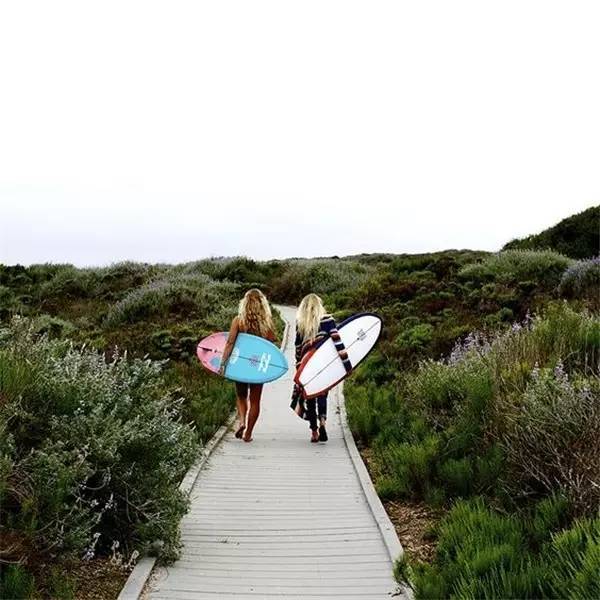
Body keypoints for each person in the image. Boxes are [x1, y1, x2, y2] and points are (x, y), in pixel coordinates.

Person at [292, 294, 350, 443]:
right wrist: (347, 364)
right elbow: (337, 342)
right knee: (322, 393)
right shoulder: (328, 320)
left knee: (310, 396)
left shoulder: (301, 323)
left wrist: (298, 367)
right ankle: (323, 422)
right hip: (323, 363)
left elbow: (298, 348)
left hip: (307, 364)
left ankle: (314, 432)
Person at [220, 289, 276, 442]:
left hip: (241, 364)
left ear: (245, 303)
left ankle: (242, 422)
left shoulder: (238, 321)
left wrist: (223, 363)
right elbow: (272, 346)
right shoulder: (267, 323)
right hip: (257, 366)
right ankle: (248, 433)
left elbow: (230, 343)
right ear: (262, 303)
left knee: (241, 396)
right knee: (255, 401)